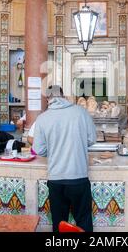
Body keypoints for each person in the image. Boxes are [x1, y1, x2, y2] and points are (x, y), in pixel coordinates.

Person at [32, 85, 97, 232]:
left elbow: (40, 150)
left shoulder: (42, 118)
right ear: (63, 96)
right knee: (84, 221)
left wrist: (55, 147)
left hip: (56, 180)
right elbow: (92, 139)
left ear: (48, 98)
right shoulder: (80, 112)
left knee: (59, 224)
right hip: (79, 178)